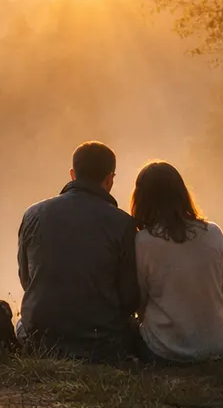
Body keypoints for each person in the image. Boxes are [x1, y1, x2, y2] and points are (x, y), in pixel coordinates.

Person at [17, 141, 140, 362]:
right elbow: (130, 297)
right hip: (102, 346)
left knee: (20, 323)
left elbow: (26, 279)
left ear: (73, 174)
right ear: (110, 179)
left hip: (38, 340)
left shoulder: (33, 214)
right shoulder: (124, 224)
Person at [130, 161, 223, 364]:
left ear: (141, 199)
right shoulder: (214, 232)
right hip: (222, 345)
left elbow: (140, 304)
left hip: (167, 350)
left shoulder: (143, 241)